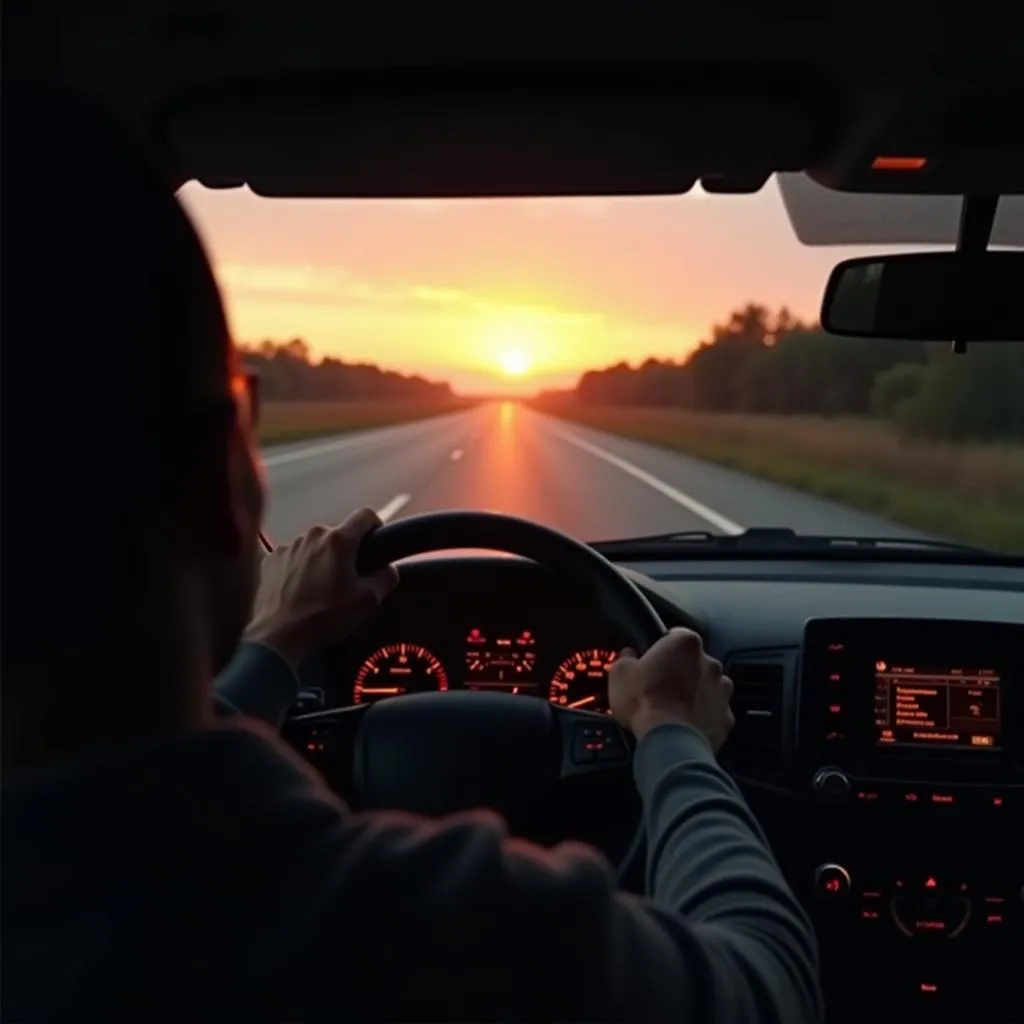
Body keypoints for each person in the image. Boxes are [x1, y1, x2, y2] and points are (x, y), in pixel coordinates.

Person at [1, 80, 823, 1022]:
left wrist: (273, 652)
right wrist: (674, 738)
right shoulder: (435, 932)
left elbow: (114, 807)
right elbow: (769, 987)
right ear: (220, 474)